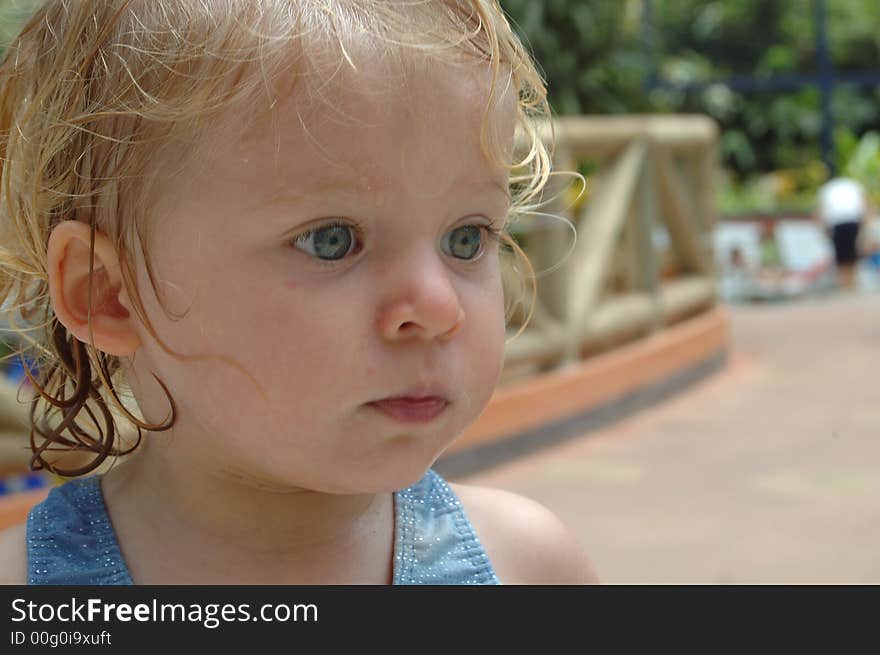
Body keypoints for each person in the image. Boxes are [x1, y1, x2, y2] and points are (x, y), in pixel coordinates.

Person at [0, 0, 598, 584]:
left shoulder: (529, 566)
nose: (440, 309)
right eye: (331, 241)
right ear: (107, 293)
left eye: (466, 239)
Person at [815, 176, 869, 291]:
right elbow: (863, 205)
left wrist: (823, 228)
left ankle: (847, 284)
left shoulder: (828, 188)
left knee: (843, 254)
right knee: (850, 252)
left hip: (840, 223)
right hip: (849, 222)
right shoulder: (852, 185)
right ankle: (849, 284)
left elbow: (821, 210)